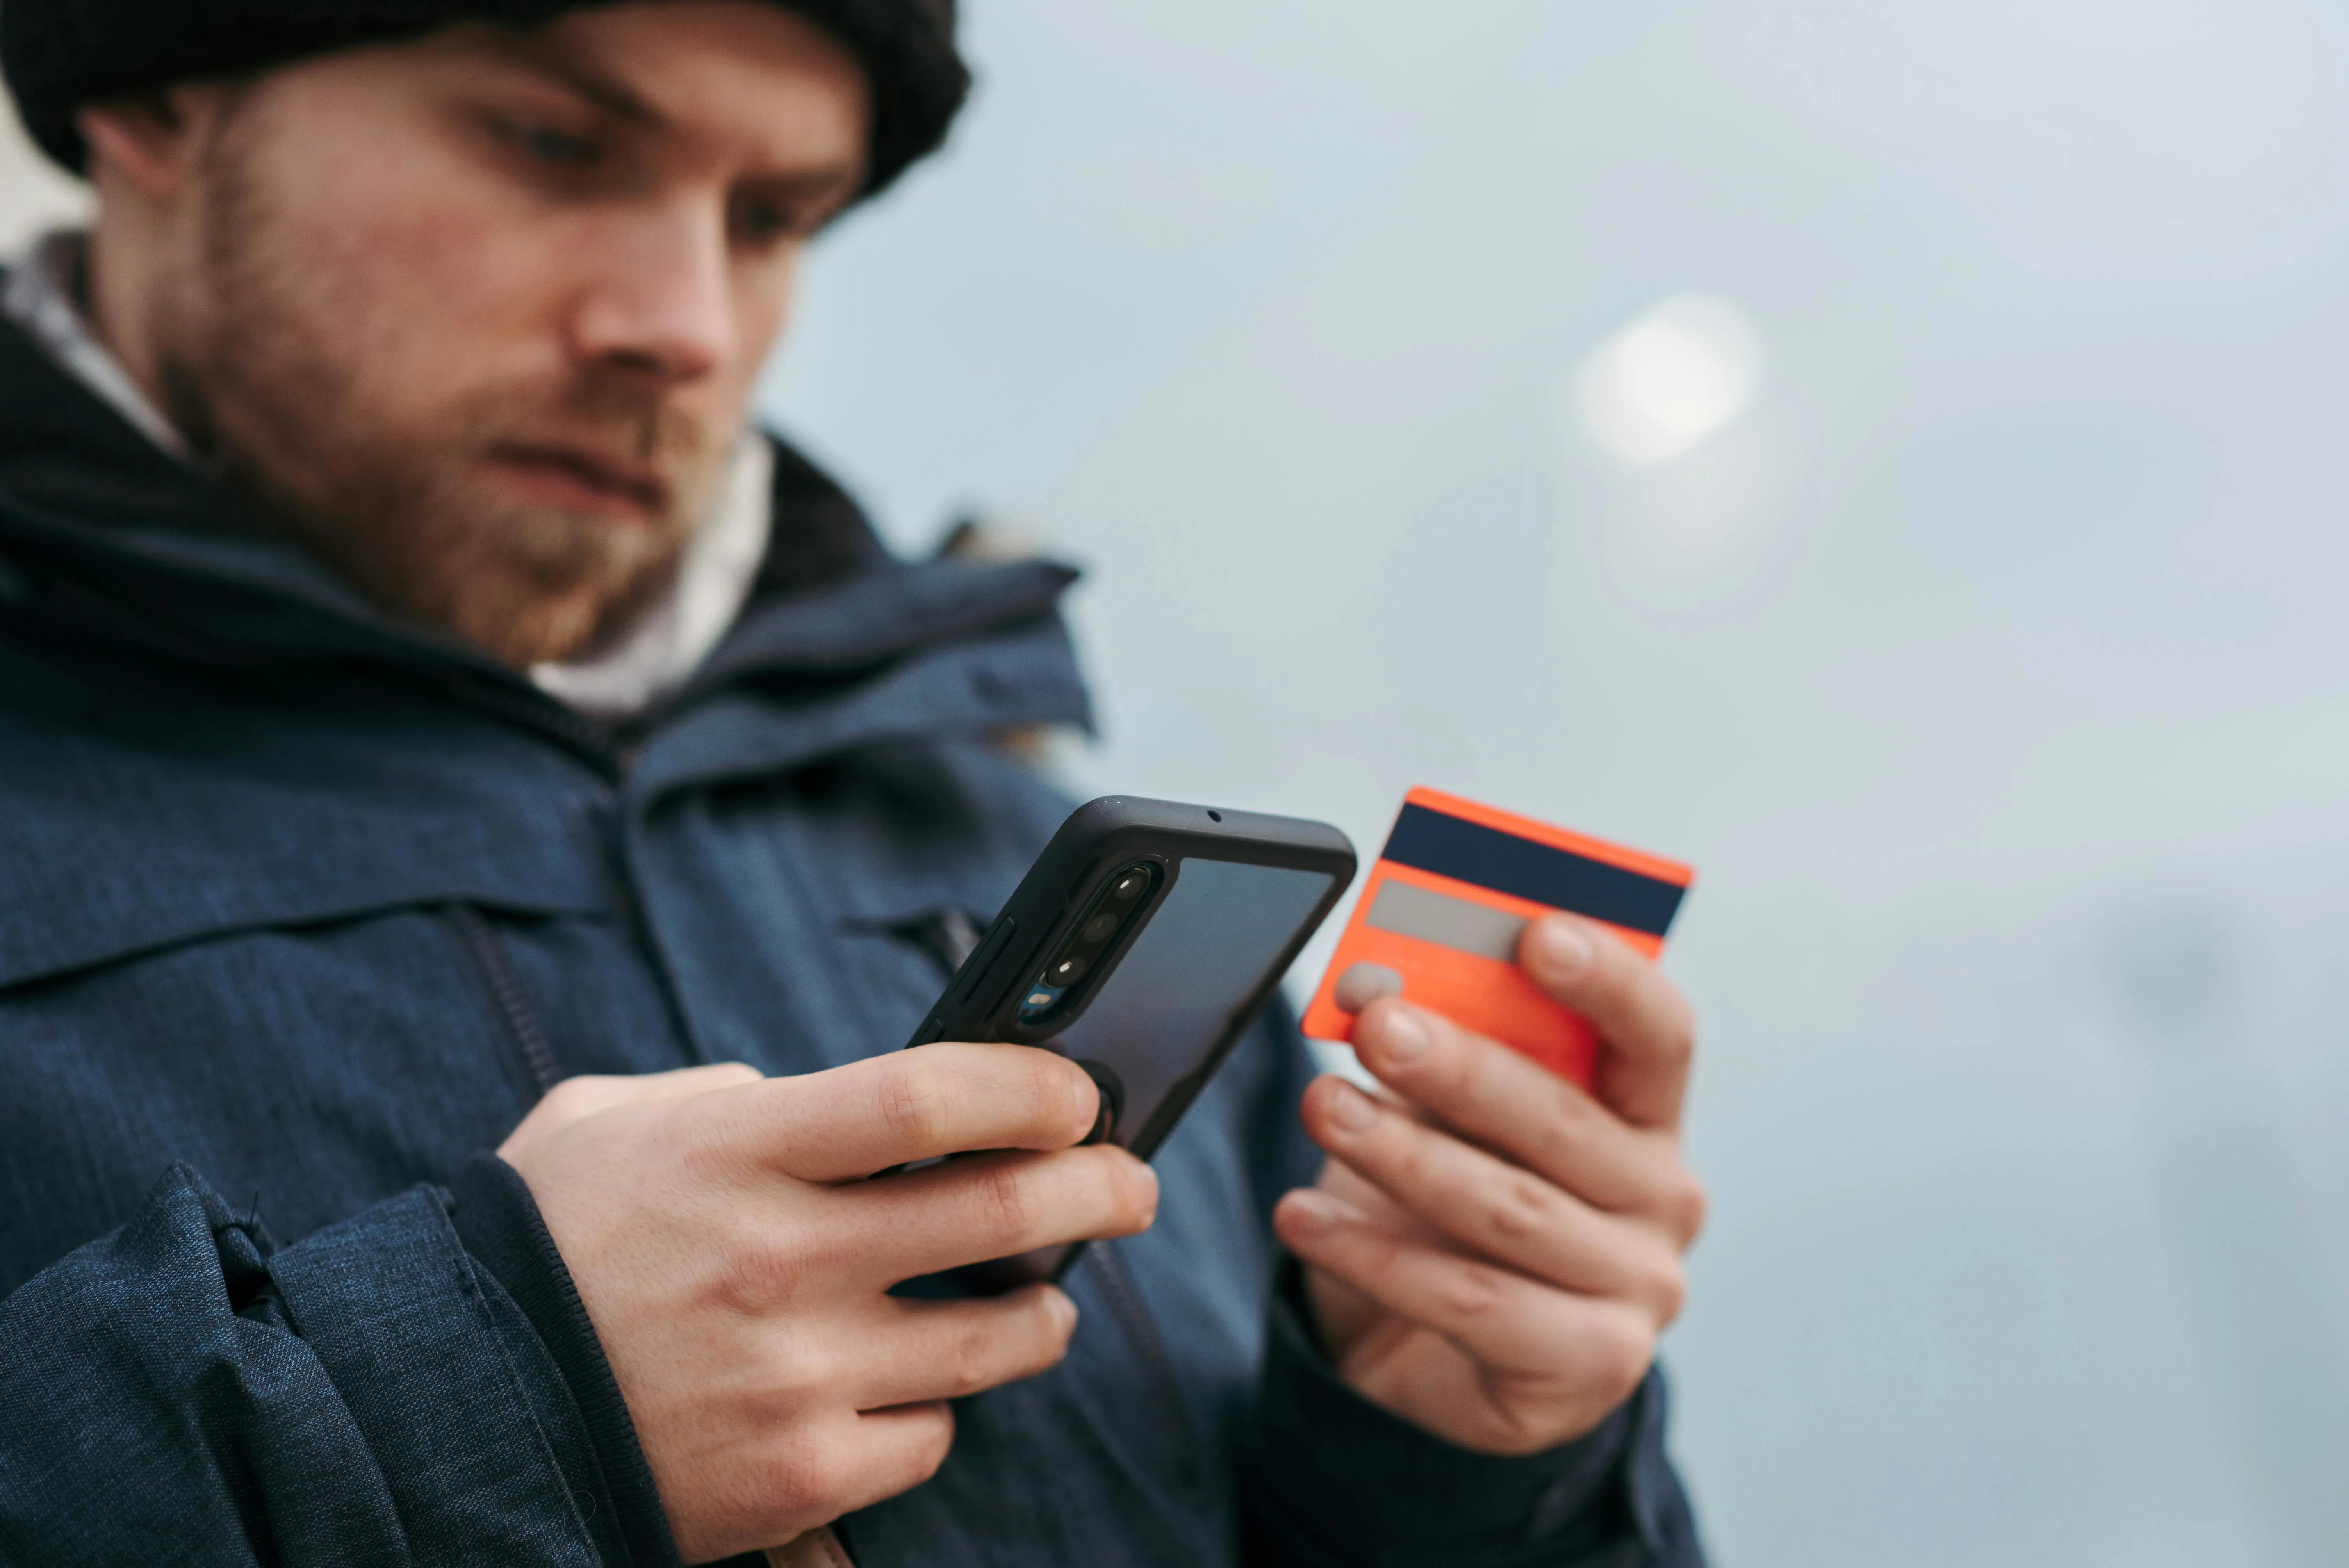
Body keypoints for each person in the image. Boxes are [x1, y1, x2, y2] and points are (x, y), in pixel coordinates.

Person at [0, 3, 1710, 1563]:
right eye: (552, 144)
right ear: (161, 89)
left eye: (773, 219)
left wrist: (1462, 1466)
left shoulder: (983, 808)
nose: (679, 325)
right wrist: (464, 1393)